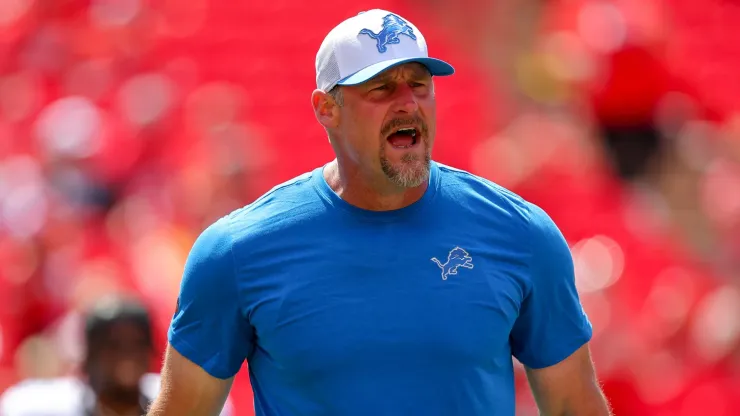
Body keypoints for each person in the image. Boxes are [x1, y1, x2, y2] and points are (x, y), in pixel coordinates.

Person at [148, 8, 612, 416]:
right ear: (327, 108)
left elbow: (574, 406)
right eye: (382, 88)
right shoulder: (237, 252)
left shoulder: (522, 235)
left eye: (419, 85)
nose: (408, 102)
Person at [0, 295, 233, 416]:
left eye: (137, 344)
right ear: (88, 355)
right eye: (113, 346)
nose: (126, 356)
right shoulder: (37, 407)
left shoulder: (183, 401)